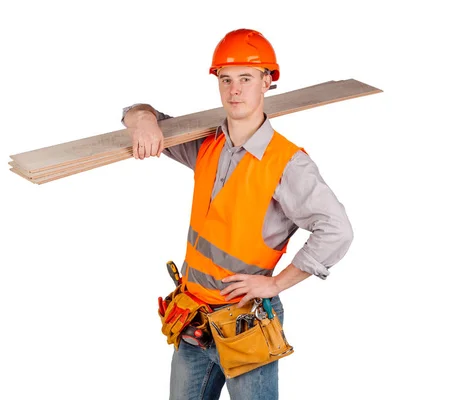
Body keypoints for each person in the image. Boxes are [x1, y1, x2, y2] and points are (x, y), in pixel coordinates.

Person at [121, 28, 354, 400]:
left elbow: (337, 230)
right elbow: (137, 112)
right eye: (226, 79)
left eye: (246, 78)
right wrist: (141, 121)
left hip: (246, 321)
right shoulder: (206, 146)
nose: (235, 90)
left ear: (267, 82)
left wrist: (276, 285)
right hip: (194, 320)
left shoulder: (286, 164)